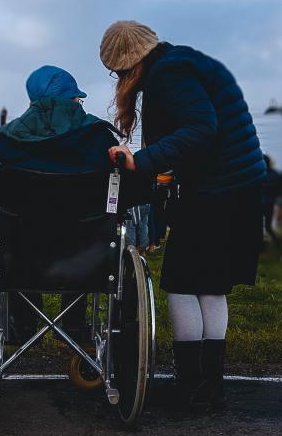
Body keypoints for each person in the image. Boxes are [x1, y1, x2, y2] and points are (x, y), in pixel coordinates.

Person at [100, 20, 266, 409]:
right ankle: (210, 386)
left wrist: (141, 160)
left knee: (181, 283)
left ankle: (190, 385)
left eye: (119, 71)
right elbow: (203, 130)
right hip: (237, 188)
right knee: (209, 284)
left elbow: (201, 127)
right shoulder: (184, 63)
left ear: (131, 63)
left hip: (216, 191)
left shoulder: (170, 74)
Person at [0, 65, 140, 344]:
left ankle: (22, 323)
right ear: (72, 99)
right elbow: (126, 192)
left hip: (19, 256)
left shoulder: (5, 141)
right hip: (87, 256)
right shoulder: (99, 138)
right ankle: (72, 324)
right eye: (78, 98)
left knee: (15, 237)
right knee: (87, 232)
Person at [261, 154, 281, 247]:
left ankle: (261, 246)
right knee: (268, 226)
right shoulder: (275, 174)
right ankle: (277, 243)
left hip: (259, 203)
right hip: (270, 203)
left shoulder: (257, 174)